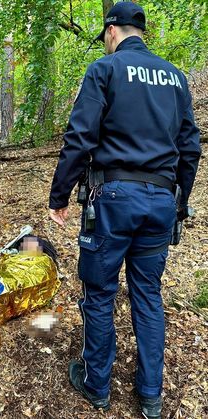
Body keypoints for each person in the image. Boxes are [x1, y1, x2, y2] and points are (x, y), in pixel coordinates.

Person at [48, 2, 201, 418]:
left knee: (99, 294)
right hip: (160, 202)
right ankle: (151, 396)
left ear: (112, 30)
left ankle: (97, 385)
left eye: (105, 36)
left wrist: (59, 195)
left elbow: (80, 136)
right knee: (148, 296)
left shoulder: (106, 69)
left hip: (113, 202)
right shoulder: (175, 78)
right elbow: (190, 147)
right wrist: (180, 202)